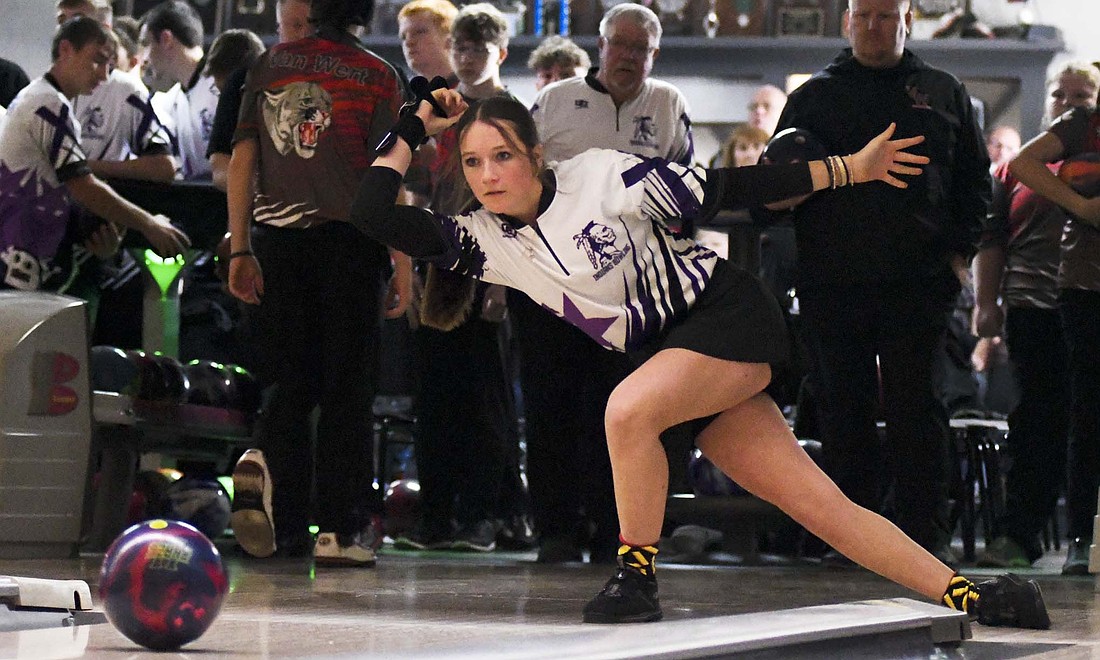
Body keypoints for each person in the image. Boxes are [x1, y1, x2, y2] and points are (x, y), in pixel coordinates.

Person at [350, 88, 1049, 629]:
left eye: (502, 155)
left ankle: (636, 576)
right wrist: (412, 128)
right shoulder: (484, 241)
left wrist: (850, 168)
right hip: (669, 354)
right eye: (472, 162)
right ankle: (971, 592)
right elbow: (373, 213)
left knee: (626, 410)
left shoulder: (602, 177)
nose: (489, 174)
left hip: (725, 317)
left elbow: (725, 191)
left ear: (536, 154)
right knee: (816, 505)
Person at [768, 0, 990, 564]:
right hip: (833, 282)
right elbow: (777, 187)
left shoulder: (943, 90)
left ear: (906, 20)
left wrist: (960, 257)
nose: (874, 26)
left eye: (885, 16)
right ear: (847, 22)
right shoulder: (812, 96)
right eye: (863, 15)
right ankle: (852, 541)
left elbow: (975, 182)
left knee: (919, 408)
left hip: (919, 282)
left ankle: (922, 540)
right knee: (844, 411)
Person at [226, 0, 412, 567]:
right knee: (347, 391)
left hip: (277, 243)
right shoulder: (381, 77)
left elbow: (241, 161)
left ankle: (280, 516)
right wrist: (402, 266)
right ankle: (340, 530)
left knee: (291, 381)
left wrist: (240, 246)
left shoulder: (270, 66)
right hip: (350, 248)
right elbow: (390, 180)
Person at [521, 3, 690, 564]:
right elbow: (520, 178)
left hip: (631, 289)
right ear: (600, 46)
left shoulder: (667, 105)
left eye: (640, 49)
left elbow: (688, 184)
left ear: (654, 54)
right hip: (554, 283)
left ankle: (612, 528)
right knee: (551, 405)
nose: (628, 58)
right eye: (620, 45)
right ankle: (554, 529)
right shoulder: (555, 101)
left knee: (619, 408)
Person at [392, 2, 522, 554]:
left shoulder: (510, 112)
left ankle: (483, 516)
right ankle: (436, 517)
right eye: (462, 48)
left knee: (484, 399)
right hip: (438, 262)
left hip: (490, 263)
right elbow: (414, 189)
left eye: (478, 49)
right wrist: (410, 264)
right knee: (435, 399)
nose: (468, 58)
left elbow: (520, 203)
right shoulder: (436, 108)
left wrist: (501, 282)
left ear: (500, 52)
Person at [973, 61, 1100, 570]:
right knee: (1040, 420)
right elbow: (992, 238)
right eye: (1059, 94)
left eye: (1080, 94)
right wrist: (986, 303)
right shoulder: (1014, 170)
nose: (1068, 103)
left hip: (1086, 298)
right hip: (1034, 305)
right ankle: (1022, 534)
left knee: (1086, 418)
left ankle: (1083, 537)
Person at [0, 16, 188, 292]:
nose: (104, 75)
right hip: (20, 265)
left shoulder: (39, 98)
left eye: (110, 65)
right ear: (66, 50)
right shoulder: (47, 105)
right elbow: (82, 185)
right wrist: (149, 224)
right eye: (97, 61)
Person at [209, 0, 312, 192]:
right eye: (297, 25)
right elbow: (221, 167)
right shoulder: (246, 81)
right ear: (279, 28)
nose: (306, 34)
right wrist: (271, 195)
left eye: (313, 26)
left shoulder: (339, 87)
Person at [139, 0, 220, 180]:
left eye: (146, 44)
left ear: (166, 39)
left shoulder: (221, 88)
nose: (143, 59)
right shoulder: (171, 99)